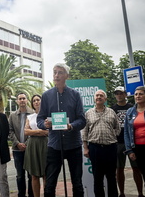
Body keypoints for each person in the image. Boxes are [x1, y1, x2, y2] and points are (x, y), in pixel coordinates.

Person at [37, 63, 86, 197]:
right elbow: (40, 119)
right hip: (54, 145)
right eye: (54, 72)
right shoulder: (46, 95)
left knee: (77, 183)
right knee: (50, 185)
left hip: (73, 145)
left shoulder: (75, 95)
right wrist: (45, 124)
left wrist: (71, 126)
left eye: (60, 72)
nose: (56, 75)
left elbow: (82, 120)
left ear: (67, 76)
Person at [82, 89, 120, 197]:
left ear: (105, 99)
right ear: (94, 98)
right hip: (95, 148)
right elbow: (84, 132)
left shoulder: (111, 112)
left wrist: (111, 135)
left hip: (110, 148)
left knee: (111, 176)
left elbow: (117, 128)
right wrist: (85, 148)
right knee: (97, 177)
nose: (99, 97)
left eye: (101, 95)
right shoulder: (88, 113)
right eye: (97, 95)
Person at [111, 86, 145, 197]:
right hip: (118, 142)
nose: (119, 95)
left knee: (136, 168)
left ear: (125, 94)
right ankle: (121, 193)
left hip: (132, 142)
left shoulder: (132, 107)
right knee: (119, 169)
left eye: (121, 93)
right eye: (117, 93)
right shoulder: (112, 109)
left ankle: (140, 193)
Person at [9, 93, 34, 197]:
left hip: (30, 149)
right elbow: (10, 131)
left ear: (27, 100)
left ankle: (31, 195)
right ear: (17, 101)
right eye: (20, 99)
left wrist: (26, 144)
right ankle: (21, 195)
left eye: (24, 98)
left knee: (31, 175)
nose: (22, 100)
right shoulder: (12, 115)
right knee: (20, 175)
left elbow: (34, 130)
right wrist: (17, 143)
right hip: (17, 150)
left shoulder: (33, 114)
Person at [24, 94, 48, 197]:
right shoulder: (30, 117)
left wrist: (33, 131)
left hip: (45, 144)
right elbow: (26, 131)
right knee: (34, 175)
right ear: (32, 104)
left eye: (38, 100)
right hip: (32, 145)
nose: (36, 102)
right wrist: (39, 131)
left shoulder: (47, 116)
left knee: (45, 174)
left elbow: (48, 132)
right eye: (34, 101)